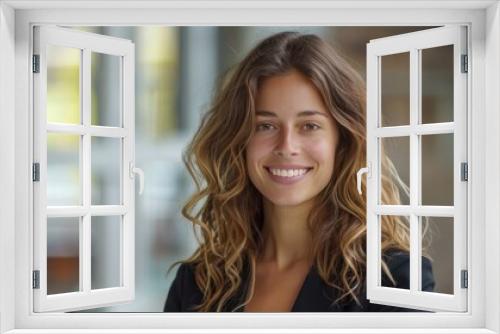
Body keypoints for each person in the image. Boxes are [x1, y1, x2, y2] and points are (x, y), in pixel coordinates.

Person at [163, 31, 435, 312]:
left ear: (342, 141)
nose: (286, 146)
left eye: (309, 126)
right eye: (265, 126)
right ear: (239, 141)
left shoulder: (395, 280)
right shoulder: (198, 282)